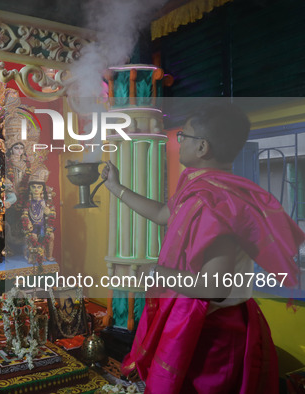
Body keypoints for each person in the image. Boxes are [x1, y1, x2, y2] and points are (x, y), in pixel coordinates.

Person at [102, 103, 304, 394]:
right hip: (207, 322)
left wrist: (157, 273)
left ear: (203, 147)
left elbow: (214, 287)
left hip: (213, 336)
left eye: (184, 135)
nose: (179, 140)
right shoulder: (211, 189)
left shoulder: (214, 203)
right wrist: (115, 187)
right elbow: (162, 214)